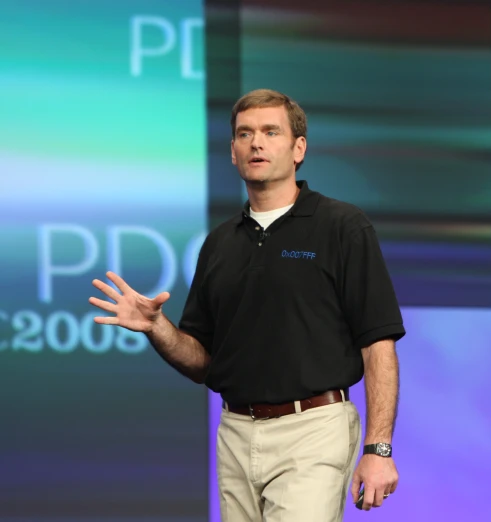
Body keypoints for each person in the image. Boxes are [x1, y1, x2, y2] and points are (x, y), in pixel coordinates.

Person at [89, 88, 405, 521]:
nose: (256, 142)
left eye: (271, 132)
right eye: (244, 134)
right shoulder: (220, 243)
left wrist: (378, 449)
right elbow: (204, 362)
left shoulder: (342, 226)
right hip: (235, 432)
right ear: (234, 153)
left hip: (313, 429)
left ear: (298, 149)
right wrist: (157, 327)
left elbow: (378, 344)